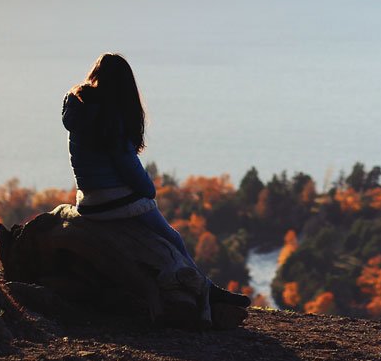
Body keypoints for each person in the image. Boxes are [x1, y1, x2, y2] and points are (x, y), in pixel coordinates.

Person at [62, 52, 249, 308]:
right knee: (172, 239)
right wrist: (150, 190)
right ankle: (207, 290)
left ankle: (204, 288)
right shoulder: (109, 117)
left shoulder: (80, 111)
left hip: (88, 201)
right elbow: (129, 167)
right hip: (114, 201)